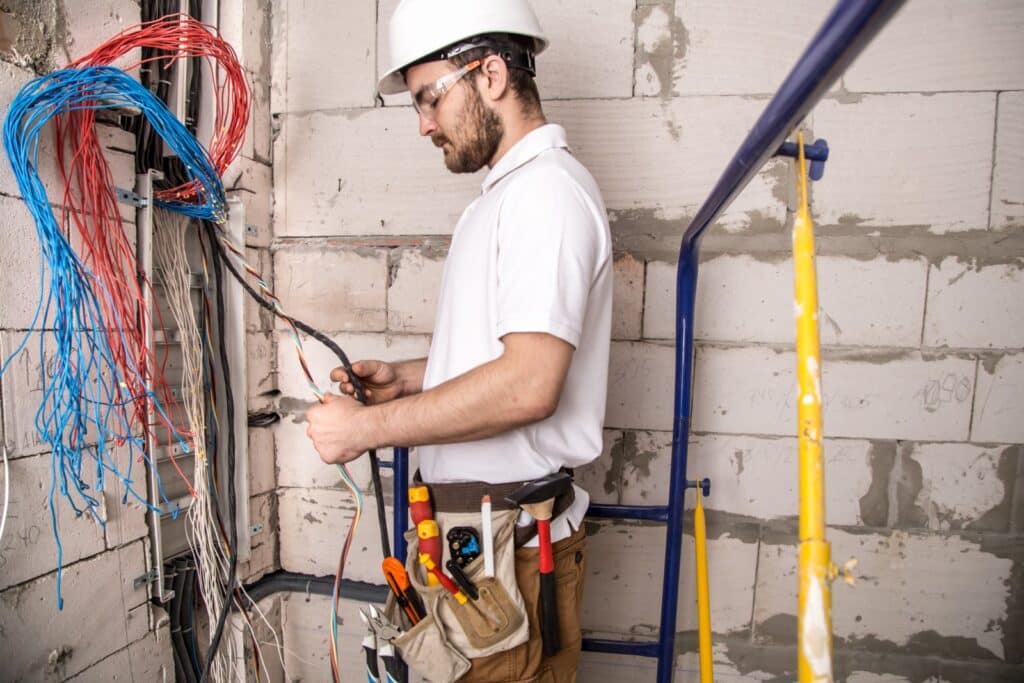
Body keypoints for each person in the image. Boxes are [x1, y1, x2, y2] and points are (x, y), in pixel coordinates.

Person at [306, 1, 611, 679]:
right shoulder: (503, 199)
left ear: (493, 74)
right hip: (479, 545)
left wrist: (366, 428)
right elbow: (507, 355)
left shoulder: (546, 197)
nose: (423, 125)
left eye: (428, 99)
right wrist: (411, 376)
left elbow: (530, 384)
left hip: (513, 551)